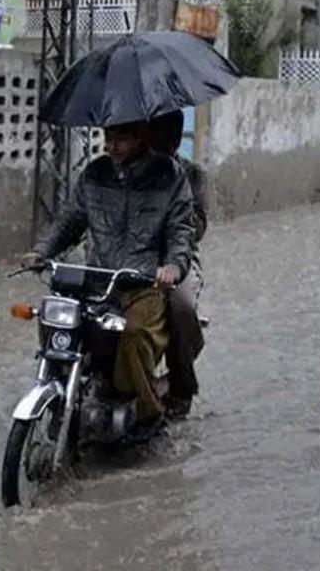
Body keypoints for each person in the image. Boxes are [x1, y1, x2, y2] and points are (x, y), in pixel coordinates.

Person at [22, 121, 195, 430]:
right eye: (108, 138)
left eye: (122, 139)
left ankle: (145, 412)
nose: (112, 146)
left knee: (134, 333)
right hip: (97, 278)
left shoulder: (170, 176)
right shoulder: (94, 174)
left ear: (142, 138)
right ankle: (62, 393)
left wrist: (173, 266)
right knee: (54, 318)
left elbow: (181, 230)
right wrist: (42, 251)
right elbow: (70, 220)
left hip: (142, 282)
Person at [147, 111, 208, 419]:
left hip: (179, 260)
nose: (160, 143)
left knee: (181, 307)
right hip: (133, 257)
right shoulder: (132, 171)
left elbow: (196, 227)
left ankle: (181, 387)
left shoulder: (192, 174)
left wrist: (171, 222)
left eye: (167, 136)